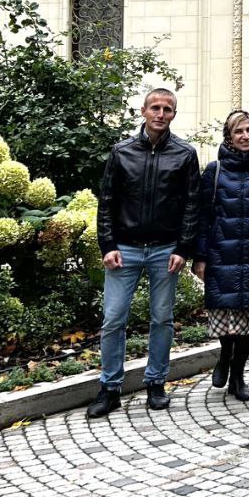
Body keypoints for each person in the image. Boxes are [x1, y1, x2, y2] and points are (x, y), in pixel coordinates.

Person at [88, 88, 200, 418]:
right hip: (124, 249)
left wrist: (184, 248)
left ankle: (156, 382)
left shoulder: (185, 153)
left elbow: (192, 205)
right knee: (113, 319)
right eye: (155, 108)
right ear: (143, 110)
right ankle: (110, 388)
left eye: (167, 109)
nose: (160, 114)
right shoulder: (121, 152)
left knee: (162, 318)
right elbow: (106, 201)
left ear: (174, 115)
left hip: (165, 250)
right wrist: (107, 245)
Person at [193, 109, 249, 402]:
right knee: (225, 314)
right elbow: (204, 216)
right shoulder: (214, 170)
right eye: (238, 132)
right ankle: (224, 356)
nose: (245, 136)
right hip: (222, 254)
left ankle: (238, 375)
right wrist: (200, 256)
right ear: (229, 138)